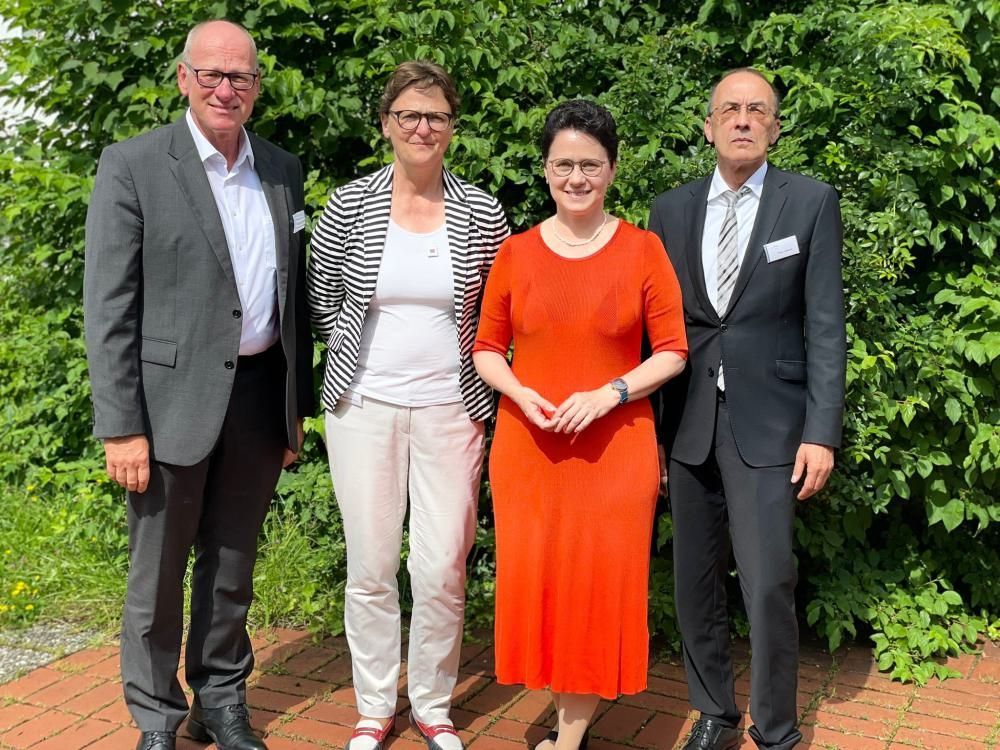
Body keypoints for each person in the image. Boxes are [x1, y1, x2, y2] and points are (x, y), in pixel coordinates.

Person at [83, 19, 313, 750]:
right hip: (167, 404)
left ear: (256, 87)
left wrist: (294, 409)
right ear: (184, 77)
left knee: (233, 564)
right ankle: (157, 717)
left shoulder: (281, 168)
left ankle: (221, 700)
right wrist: (122, 425)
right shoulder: (134, 164)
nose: (225, 88)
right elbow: (109, 306)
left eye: (240, 76)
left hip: (259, 395)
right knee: (157, 573)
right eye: (211, 74)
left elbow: (295, 296)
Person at [473, 100, 688, 750]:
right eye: (563, 164)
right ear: (545, 170)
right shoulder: (514, 253)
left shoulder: (643, 250)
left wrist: (611, 393)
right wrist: (521, 392)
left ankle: (568, 740)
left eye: (590, 165)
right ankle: (570, 724)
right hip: (529, 448)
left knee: (595, 590)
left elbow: (673, 351)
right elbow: (487, 348)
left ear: (612, 170)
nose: (576, 177)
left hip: (615, 452)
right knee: (542, 585)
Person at [307, 61, 509, 750]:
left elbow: (497, 314)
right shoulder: (348, 204)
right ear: (386, 124)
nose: (423, 128)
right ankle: (373, 707)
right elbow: (323, 304)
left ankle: (432, 703)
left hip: (454, 408)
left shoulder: (482, 211)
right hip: (363, 405)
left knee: (442, 565)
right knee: (369, 566)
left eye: (436, 116)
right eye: (409, 115)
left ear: (452, 127)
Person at [648, 68, 846, 750]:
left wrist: (822, 431)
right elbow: (656, 329)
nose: (742, 120)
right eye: (729, 109)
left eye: (756, 110)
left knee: (766, 584)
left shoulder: (810, 202)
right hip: (687, 422)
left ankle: (777, 730)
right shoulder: (670, 210)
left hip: (772, 425)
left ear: (775, 128)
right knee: (694, 583)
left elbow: (826, 324)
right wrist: (650, 434)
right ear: (708, 127)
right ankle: (714, 714)